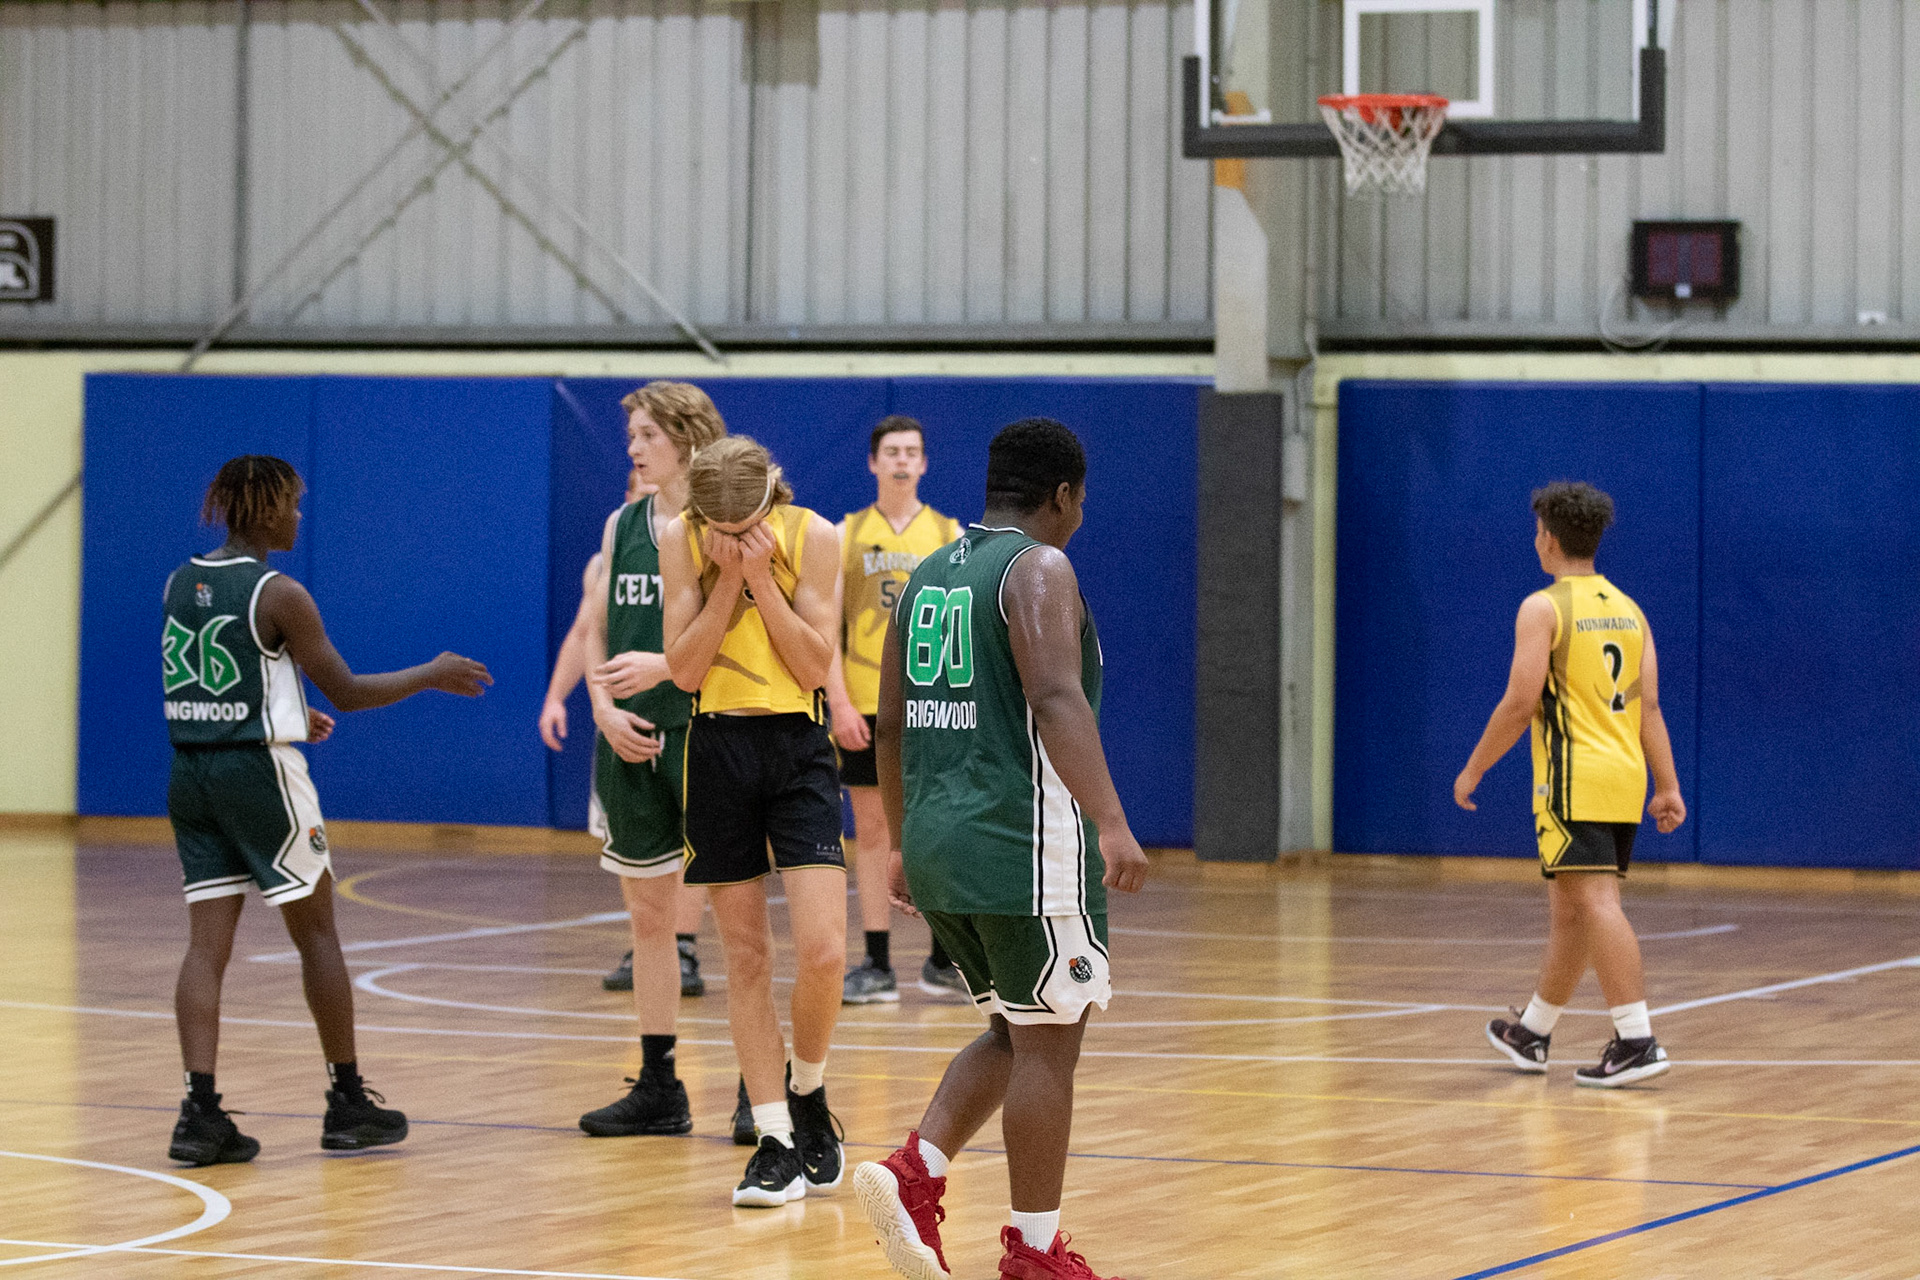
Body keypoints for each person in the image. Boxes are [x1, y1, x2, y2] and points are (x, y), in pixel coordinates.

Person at [854, 418, 1149, 1280]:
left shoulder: (928, 575)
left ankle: (917, 1170)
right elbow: (1056, 696)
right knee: (1051, 1041)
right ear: (1063, 495)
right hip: (1022, 845)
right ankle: (1035, 1251)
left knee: (1013, 1031)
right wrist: (1112, 821)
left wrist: (899, 841)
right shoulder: (1038, 567)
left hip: (938, 842)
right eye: (1080, 502)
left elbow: (891, 724)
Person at [163, 455, 491, 1166]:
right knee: (317, 934)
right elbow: (347, 692)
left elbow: (217, 678)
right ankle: (347, 1104)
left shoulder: (179, 581)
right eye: (292, 504)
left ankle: (198, 1115)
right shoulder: (281, 592)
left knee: (204, 947)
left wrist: (282, 709)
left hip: (190, 775)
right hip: (259, 774)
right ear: (266, 509)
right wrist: (431, 673)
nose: (299, 516)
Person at [659, 435, 849, 1206]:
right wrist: (726, 586)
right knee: (745, 957)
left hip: (798, 745)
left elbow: (813, 665)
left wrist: (762, 580)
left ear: (772, 495)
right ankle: (773, 1138)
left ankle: (808, 1089)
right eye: (722, 530)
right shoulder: (680, 539)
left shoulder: (817, 536)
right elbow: (683, 670)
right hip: (717, 745)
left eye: (747, 527)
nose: (735, 540)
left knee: (825, 951)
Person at [1456, 481, 1685, 1088]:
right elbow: (1650, 707)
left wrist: (1475, 767)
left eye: (1537, 532)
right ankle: (1533, 1032)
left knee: (1597, 905)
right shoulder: (1630, 610)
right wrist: (1666, 785)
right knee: (1573, 910)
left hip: (1572, 777)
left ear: (1549, 539)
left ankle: (1636, 1040)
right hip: (1624, 778)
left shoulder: (1544, 607)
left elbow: (1519, 701)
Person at [538, 463, 710, 1002]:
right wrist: (559, 697)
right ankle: (650, 942)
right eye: (639, 486)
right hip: (626, 720)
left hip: (688, 715)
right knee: (638, 852)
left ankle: (683, 942)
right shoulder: (609, 553)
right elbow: (585, 631)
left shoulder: (700, 542)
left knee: (695, 845)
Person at [827, 415, 966, 1004]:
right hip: (865, 700)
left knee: (939, 825)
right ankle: (878, 962)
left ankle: (944, 958)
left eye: (912, 451)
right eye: (892, 451)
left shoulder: (949, 533)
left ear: (925, 463)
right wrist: (836, 701)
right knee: (874, 831)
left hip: (932, 702)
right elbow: (824, 627)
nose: (902, 460)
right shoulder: (846, 533)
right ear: (873, 462)